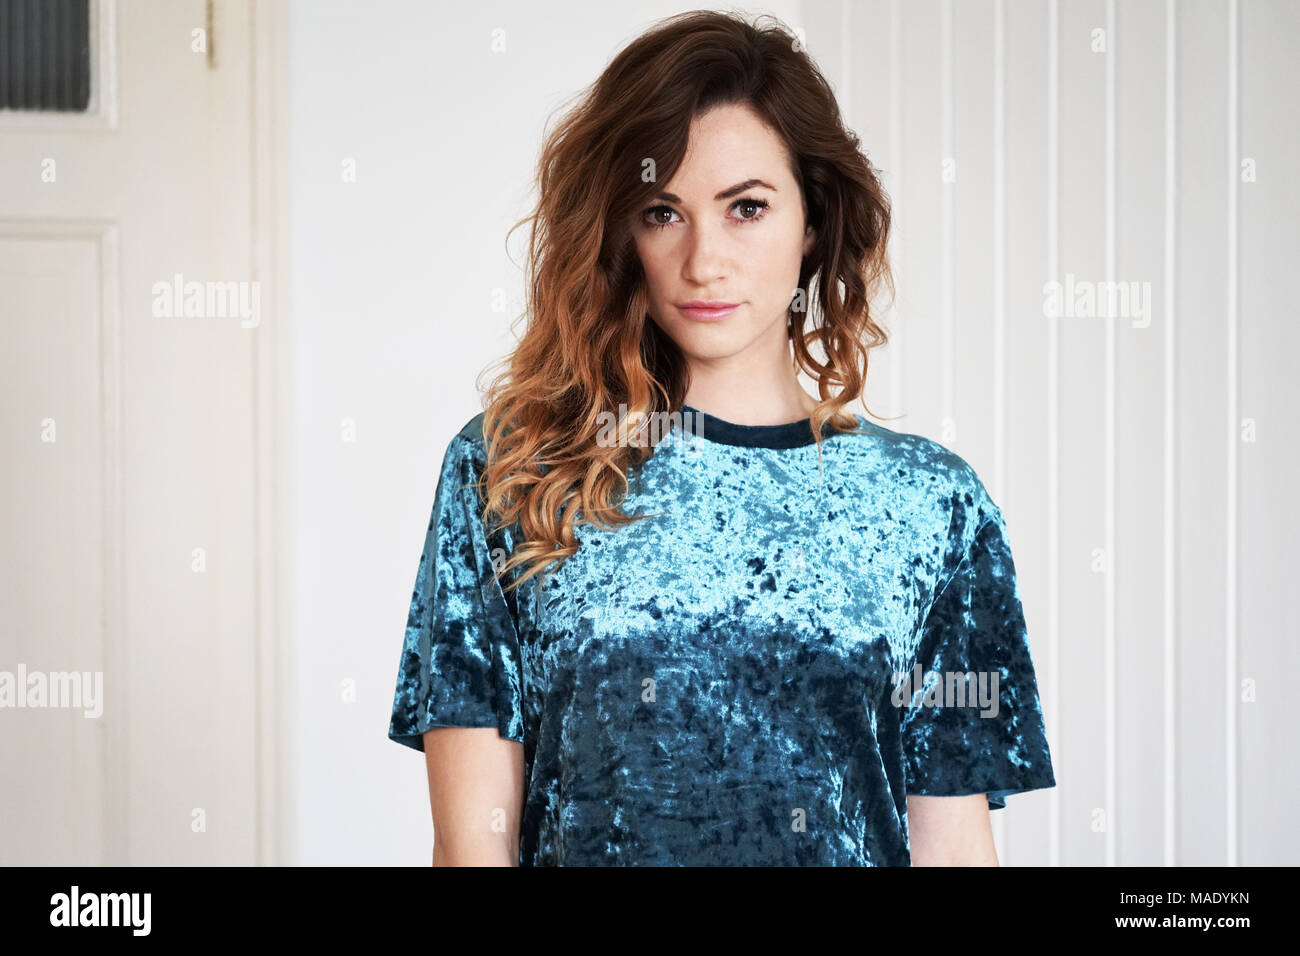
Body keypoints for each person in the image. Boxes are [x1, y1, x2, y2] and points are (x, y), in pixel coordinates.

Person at [387, 9, 1055, 866]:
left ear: (812, 222)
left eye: (746, 207)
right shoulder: (511, 466)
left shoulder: (934, 507)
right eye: (663, 212)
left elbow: (952, 842)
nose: (705, 259)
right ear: (620, 231)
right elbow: (471, 847)